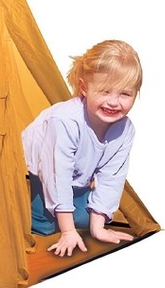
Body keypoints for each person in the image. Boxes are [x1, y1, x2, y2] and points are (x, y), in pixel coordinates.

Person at [22, 39, 142, 257]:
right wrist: (67, 232)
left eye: (125, 94)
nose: (114, 102)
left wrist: (98, 228)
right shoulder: (65, 120)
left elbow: (112, 177)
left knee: (86, 220)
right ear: (85, 88)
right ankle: (37, 215)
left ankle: (77, 218)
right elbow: (57, 175)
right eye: (105, 91)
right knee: (44, 227)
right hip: (39, 175)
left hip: (78, 177)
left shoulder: (125, 130)